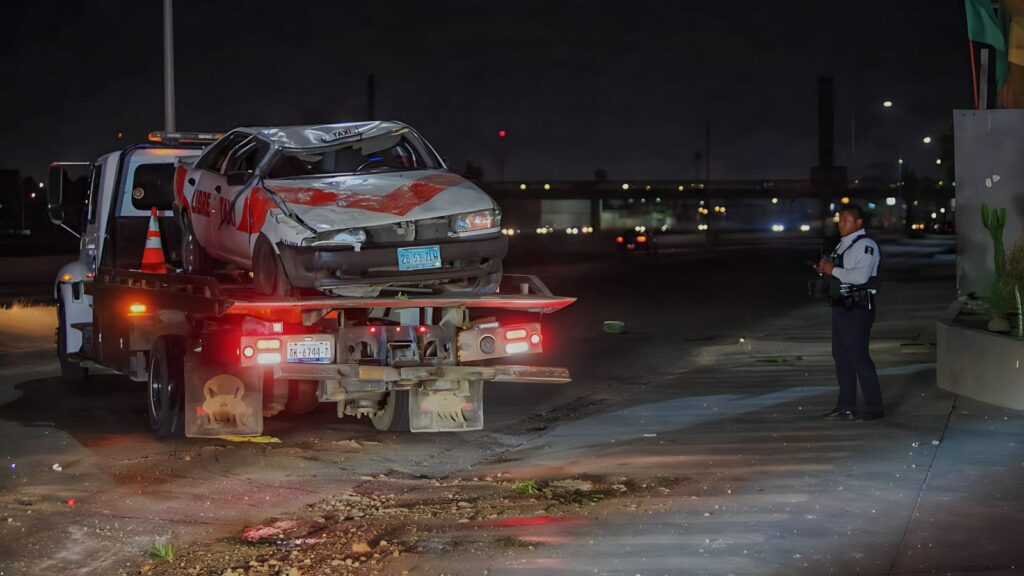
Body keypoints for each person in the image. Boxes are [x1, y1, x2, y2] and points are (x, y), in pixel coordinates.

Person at [815, 204, 884, 421]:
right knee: (841, 356)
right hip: (841, 306)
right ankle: (846, 406)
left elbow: (860, 277)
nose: (841, 224)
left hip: (858, 307)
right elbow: (840, 273)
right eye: (840, 220)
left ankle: (874, 407)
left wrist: (832, 269)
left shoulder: (866, 245)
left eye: (846, 220)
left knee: (859, 357)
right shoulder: (842, 246)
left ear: (858, 223)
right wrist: (825, 269)